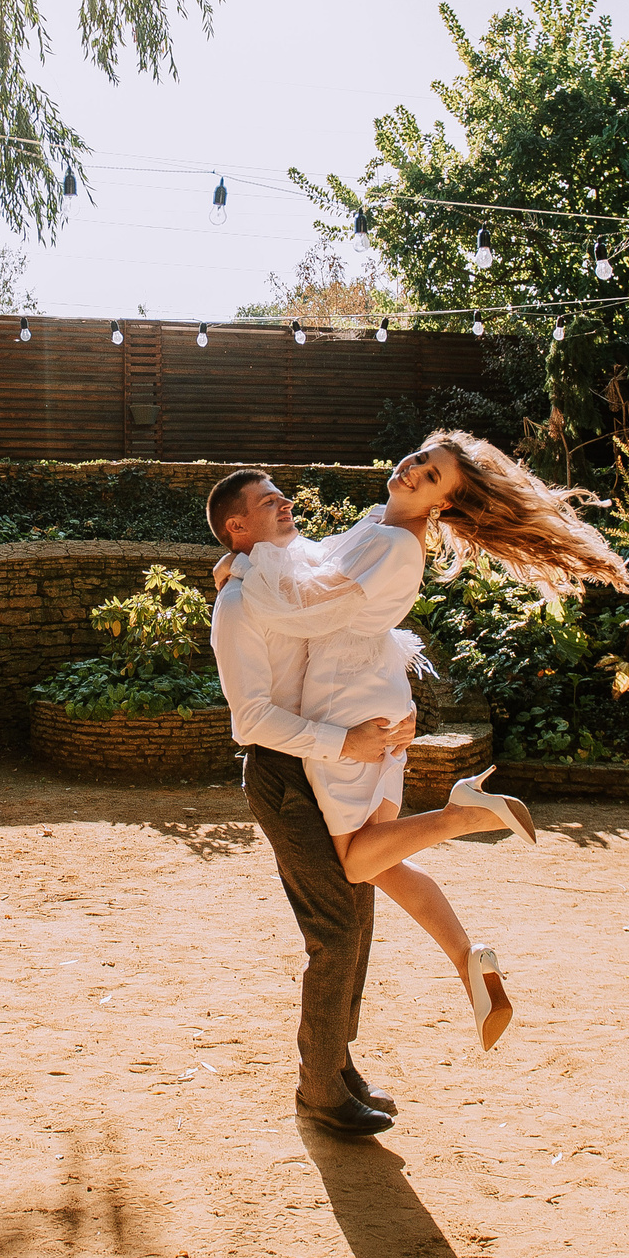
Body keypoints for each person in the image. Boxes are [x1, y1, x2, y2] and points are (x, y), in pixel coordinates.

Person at [220, 432, 629, 1054]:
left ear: (442, 505)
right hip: (374, 689)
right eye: (420, 457)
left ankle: (464, 812)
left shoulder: (392, 544)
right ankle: (469, 958)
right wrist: (245, 559)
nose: (413, 469)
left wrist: (242, 567)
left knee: (359, 861)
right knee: (381, 862)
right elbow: (306, 563)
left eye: (433, 476)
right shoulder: (376, 526)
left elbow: (305, 610)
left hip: (348, 699)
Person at [207, 467, 413, 1136]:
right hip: (285, 774)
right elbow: (251, 719)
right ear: (237, 526)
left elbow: (356, 581)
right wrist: (342, 741)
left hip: (332, 766)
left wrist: (382, 722)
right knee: (335, 928)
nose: (286, 502)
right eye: (268, 502)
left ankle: (337, 1062)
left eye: (282, 495)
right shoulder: (237, 607)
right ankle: (318, 1089)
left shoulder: (287, 577)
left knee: (360, 904)